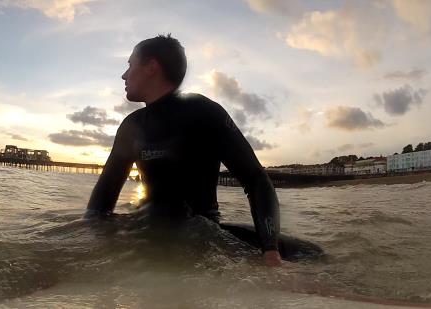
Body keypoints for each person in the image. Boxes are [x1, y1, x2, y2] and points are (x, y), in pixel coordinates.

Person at [84, 34, 298, 267]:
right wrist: (91, 248)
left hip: (200, 238)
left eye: (129, 65)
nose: (124, 75)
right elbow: (101, 203)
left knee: (309, 254)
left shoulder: (203, 112)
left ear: (151, 67)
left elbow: (256, 180)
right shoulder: (131, 126)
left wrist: (270, 250)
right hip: (144, 233)